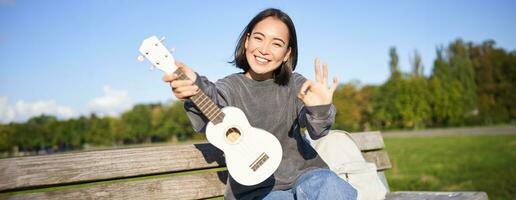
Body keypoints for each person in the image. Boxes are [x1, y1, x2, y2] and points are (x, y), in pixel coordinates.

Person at [163, 8, 357, 200]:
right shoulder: (230, 87)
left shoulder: (294, 84)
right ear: (247, 41)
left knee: (332, 187)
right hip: (257, 191)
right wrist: (193, 85)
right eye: (258, 38)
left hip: (306, 175)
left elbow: (317, 131)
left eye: (277, 43)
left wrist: (320, 109)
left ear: (287, 53)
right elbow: (212, 98)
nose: (264, 49)